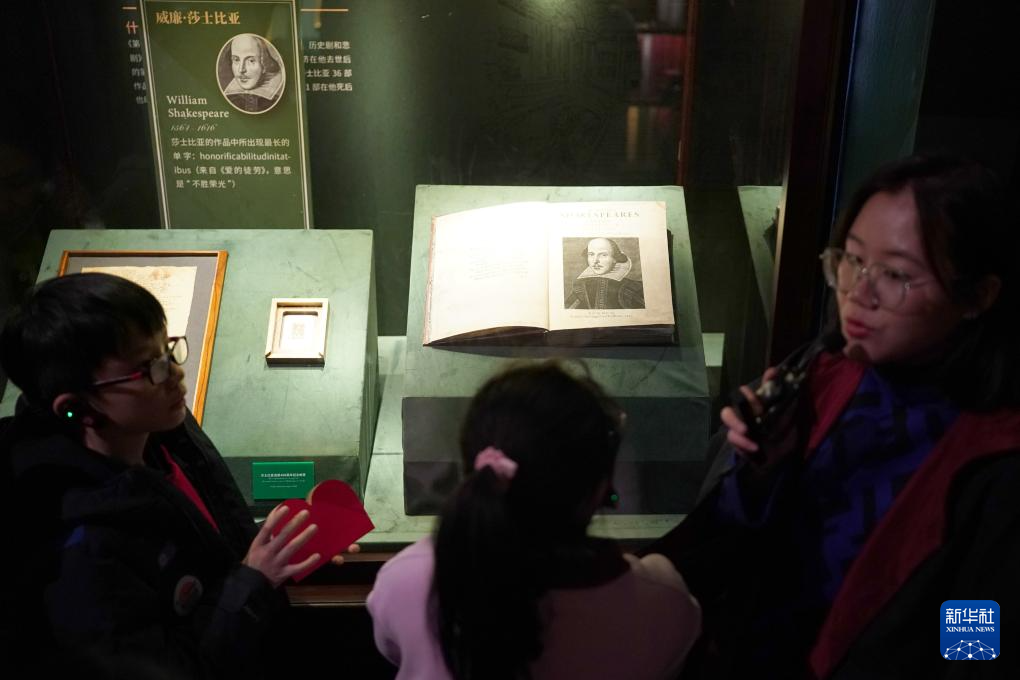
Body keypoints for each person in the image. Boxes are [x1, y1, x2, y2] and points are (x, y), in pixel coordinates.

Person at [648, 155, 1020, 679]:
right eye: (852, 259)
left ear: (978, 295)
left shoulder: (995, 455)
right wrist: (762, 471)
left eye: (896, 274)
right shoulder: (824, 371)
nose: (857, 293)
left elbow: (975, 639)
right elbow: (737, 544)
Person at [0, 273, 340, 678]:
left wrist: (278, 549)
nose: (175, 372)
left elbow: (211, 546)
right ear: (77, 408)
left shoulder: (161, 434)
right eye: (148, 368)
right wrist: (252, 581)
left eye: (168, 350)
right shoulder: (80, 556)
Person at [367, 362, 701, 680]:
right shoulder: (663, 603)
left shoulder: (402, 580)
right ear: (599, 490)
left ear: (475, 468)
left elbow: (391, 648)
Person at [565, 237, 646, 309]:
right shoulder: (580, 286)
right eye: (591, 254)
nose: (595, 261)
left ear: (615, 258)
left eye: (603, 255)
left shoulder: (631, 288)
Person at [221, 34, 284, 113]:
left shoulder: (278, 99)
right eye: (236, 60)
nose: (241, 70)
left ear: (265, 63)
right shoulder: (230, 98)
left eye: (251, 60)